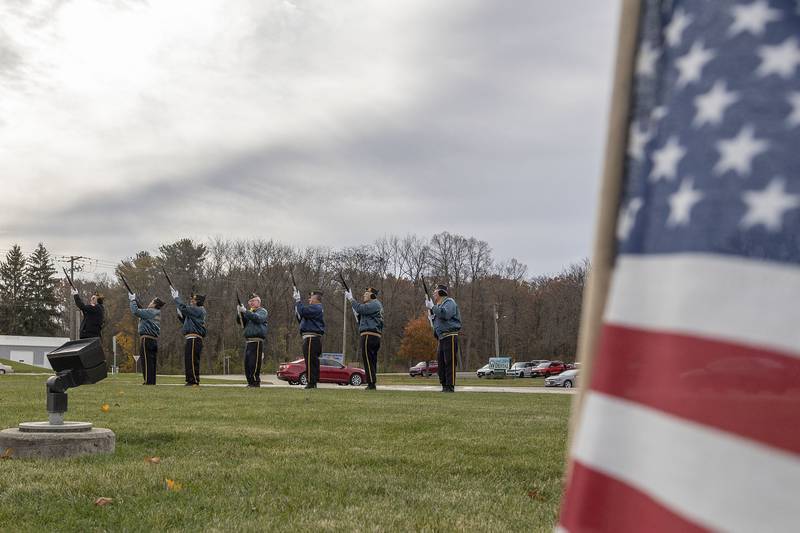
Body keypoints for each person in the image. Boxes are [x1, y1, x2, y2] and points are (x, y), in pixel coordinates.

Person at [425, 284, 462, 392]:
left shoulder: (449, 302)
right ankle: (444, 385)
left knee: (449, 362)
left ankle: (450, 386)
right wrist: (432, 316)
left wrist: (433, 307)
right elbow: (438, 320)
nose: (433, 293)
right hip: (442, 337)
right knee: (441, 363)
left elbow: (445, 314)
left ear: (441, 293)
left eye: (435, 292)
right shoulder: (439, 305)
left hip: (450, 336)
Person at [345, 287, 383, 390]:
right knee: (371, 360)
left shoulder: (375, 304)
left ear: (372, 295)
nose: (364, 295)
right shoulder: (373, 306)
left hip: (369, 335)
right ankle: (372, 381)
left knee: (368, 359)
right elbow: (361, 316)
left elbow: (361, 309)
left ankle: (371, 383)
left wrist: (351, 299)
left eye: (366, 294)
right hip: (373, 335)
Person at [171, 287, 207, 386]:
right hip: (191, 338)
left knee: (192, 361)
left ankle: (193, 380)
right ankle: (190, 380)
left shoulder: (199, 310)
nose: (191, 301)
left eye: (193, 300)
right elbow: (185, 321)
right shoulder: (195, 312)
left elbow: (184, 308)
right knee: (188, 360)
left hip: (195, 339)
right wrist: (179, 310)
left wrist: (177, 298)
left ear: (198, 302)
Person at [128, 293, 165, 385]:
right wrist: (135, 300)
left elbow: (136, 311)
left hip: (146, 340)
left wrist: (132, 300)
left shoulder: (150, 312)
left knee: (146, 361)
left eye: (152, 301)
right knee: (152, 362)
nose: (150, 302)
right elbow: (142, 311)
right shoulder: (157, 313)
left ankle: (148, 381)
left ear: (154, 304)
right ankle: (151, 381)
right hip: (153, 340)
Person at [294, 288, 325, 389]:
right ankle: (312, 381)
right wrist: (297, 304)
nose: (309, 300)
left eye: (311, 297)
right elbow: (300, 315)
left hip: (312, 338)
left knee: (311, 361)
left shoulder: (316, 307)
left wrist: (298, 301)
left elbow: (302, 311)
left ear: (316, 299)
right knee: (310, 360)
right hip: (309, 338)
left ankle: (311, 382)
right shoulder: (313, 309)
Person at [237, 293, 268, 388]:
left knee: (254, 362)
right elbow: (241, 322)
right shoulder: (250, 312)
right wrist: (239, 313)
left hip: (257, 341)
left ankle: (255, 382)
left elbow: (257, 319)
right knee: (247, 363)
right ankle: (250, 382)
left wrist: (246, 311)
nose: (251, 303)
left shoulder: (262, 311)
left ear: (258, 302)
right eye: (249, 301)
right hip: (249, 341)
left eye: (253, 301)